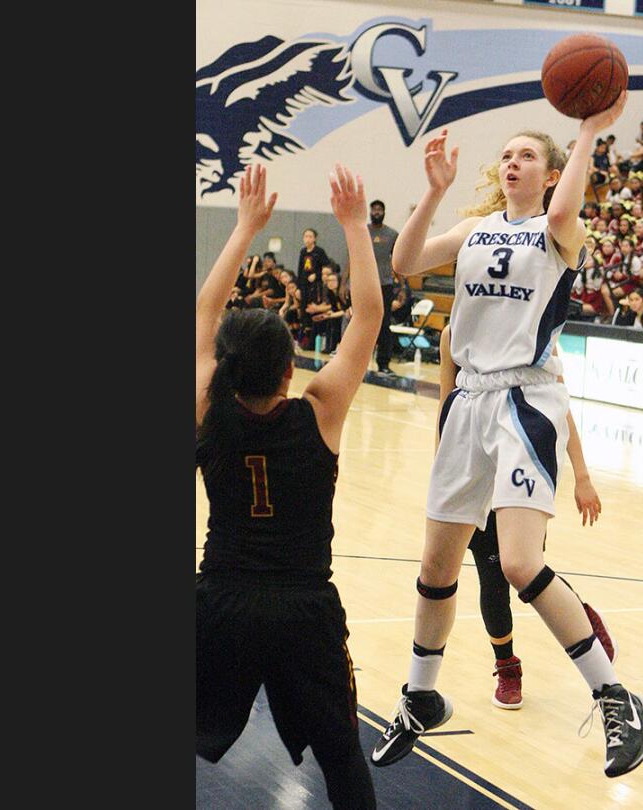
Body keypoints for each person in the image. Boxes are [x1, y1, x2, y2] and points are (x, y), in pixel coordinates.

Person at [375, 93, 643, 779]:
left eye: (526, 155)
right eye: (505, 156)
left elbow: (562, 211)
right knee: (437, 567)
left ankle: (615, 695)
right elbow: (405, 262)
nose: (511, 163)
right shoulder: (473, 231)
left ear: (551, 172)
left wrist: (587, 130)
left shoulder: (562, 233)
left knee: (521, 564)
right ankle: (420, 696)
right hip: (467, 401)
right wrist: (434, 191)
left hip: (525, 402)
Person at [195, 164, 383, 808]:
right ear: (291, 368)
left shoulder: (207, 408)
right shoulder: (320, 409)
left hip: (221, 602)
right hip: (305, 610)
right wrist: (355, 226)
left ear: (226, 364)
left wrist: (245, 226)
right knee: (341, 759)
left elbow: (203, 309)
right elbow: (368, 315)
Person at [435, 325, 612, 710]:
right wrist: (442, 468)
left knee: (524, 566)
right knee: (491, 574)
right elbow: (446, 403)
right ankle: (507, 667)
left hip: (524, 460)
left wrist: (582, 476)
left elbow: (559, 406)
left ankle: (579, 614)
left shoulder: (536, 328)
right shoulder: (453, 335)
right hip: (473, 464)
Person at [367, 199, 401, 374]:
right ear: (370, 211)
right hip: (365, 284)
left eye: (380, 209)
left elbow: (398, 261)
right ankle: (359, 361)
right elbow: (351, 257)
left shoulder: (392, 234)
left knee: (384, 324)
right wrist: (344, 282)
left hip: (385, 284)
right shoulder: (363, 232)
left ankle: (383, 363)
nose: (377, 212)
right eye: (374, 209)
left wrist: (401, 286)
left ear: (384, 212)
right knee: (361, 322)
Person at [297, 228, 332, 302]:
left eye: (310, 237)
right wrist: (298, 287)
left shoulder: (319, 251)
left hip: (316, 284)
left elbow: (327, 267)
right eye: (306, 236)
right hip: (304, 284)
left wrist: (316, 275)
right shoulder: (303, 251)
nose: (308, 239)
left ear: (315, 239)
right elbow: (300, 269)